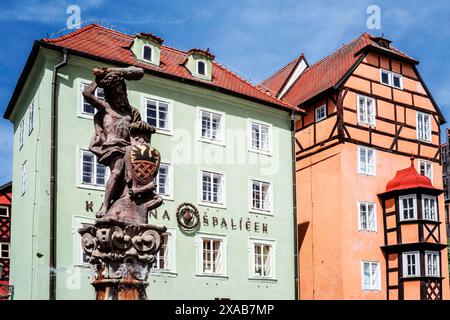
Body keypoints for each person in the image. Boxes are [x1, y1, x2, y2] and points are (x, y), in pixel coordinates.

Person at [82, 66, 144, 218]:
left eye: (121, 90)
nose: (119, 94)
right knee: (117, 171)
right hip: (113, 145)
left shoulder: (132, 112)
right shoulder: (106, 107)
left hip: (129, 148)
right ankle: (105, 205)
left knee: (131, 178)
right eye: (114, 92)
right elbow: (87, 93)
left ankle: (126, 203)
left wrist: (143, 127)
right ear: (109, 94)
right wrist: (98, 79)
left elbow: (138, 135)